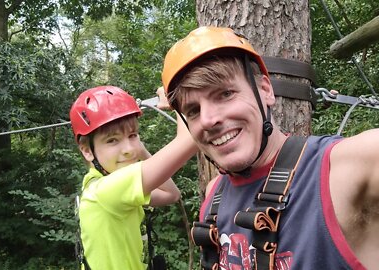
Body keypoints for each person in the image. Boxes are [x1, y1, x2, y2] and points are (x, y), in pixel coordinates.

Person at [161, 26, 379, 270]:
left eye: (225, 94)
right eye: (193, 110)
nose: (209, 119)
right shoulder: (214, 197)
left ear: (265, 90)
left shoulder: (342, 169)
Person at [69, 85, 197, 269]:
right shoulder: (107, 191)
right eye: (112, 140)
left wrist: (140, 148)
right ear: (88, 151)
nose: (128, 149)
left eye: (133, 135)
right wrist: (177, 100)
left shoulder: (96, 186)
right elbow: (191, 139)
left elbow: (171, 194)